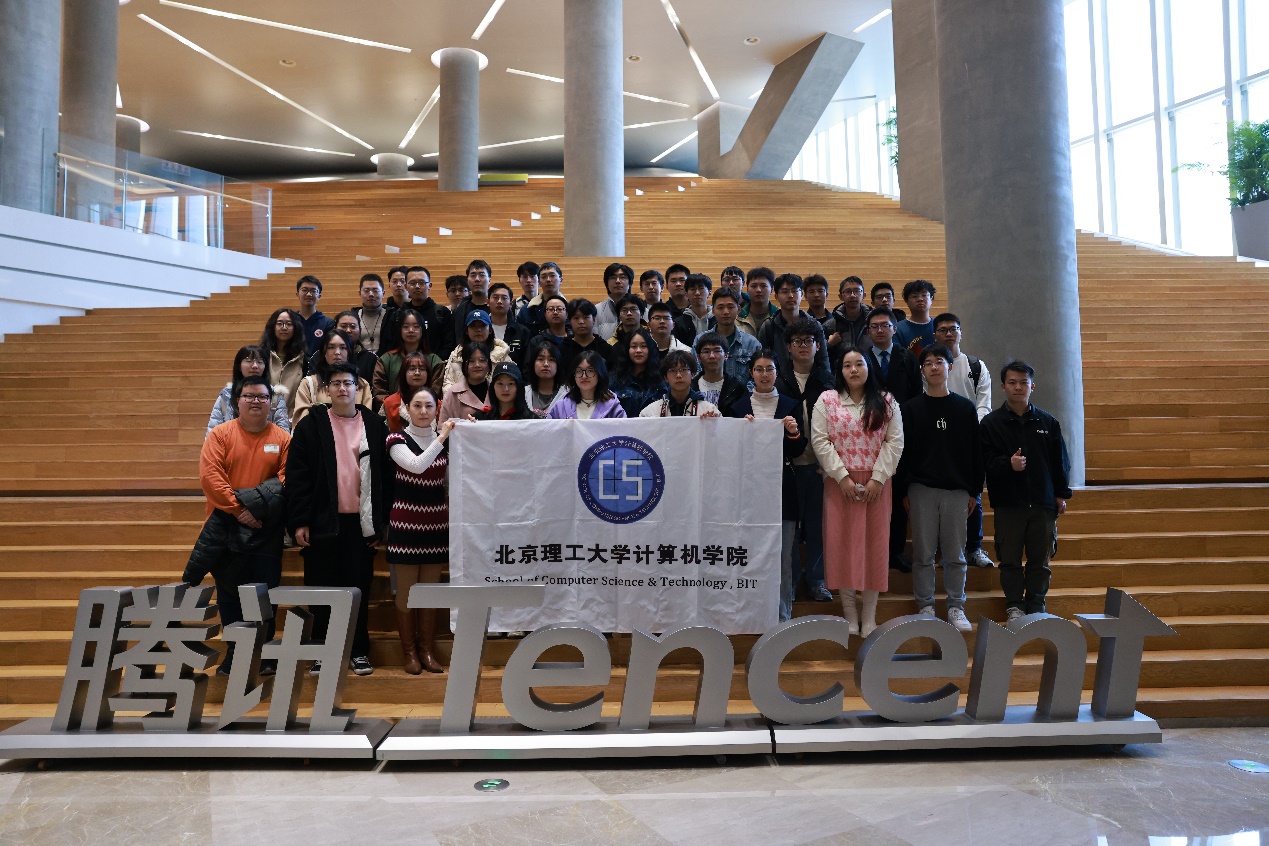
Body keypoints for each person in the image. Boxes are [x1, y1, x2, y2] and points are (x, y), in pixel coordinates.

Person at [286, 363, 392, 677]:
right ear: (326, 390)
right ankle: (323, 653)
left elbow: (386, 478)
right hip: (322, 523)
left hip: (361, 525)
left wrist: (380, 523)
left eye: (348, 383)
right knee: (321, 591)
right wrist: (300, 521)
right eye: (336, 383)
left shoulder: (374, 424)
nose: (342, 388)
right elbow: (298, 477)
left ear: (358, 388)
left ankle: (358, 651)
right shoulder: (310, 425)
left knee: (357, 590)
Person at [192, 376, 289, 676]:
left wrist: (253, 510)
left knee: (265, 594)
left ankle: (264, 653)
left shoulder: (283, 439)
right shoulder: (220, 435)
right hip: (225, 527)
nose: (255, 401)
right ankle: (235, 653)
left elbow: (286, 479)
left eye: (262, 396)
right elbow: (211, 477)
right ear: (237, 401)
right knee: (230, 594)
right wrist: (239, 510)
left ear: (271, 403)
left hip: (264, 528)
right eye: (249, 396)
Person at [811, 346, 904, 636]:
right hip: (839, 484)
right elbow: (820, 440)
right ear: (840, 370)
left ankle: (869, 617)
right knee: (841, 546)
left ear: (868, 368)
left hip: (878, 484)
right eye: (847, 365)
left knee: (875, 547)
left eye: (859, 364)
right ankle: (850, 616)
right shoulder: (827, 400)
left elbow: (895, 442)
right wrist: (842, 478)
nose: (853, 370)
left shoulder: (887, 401)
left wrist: (878, 479)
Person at [895, 344, 984, 633]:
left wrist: (973, 491)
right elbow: (903, 454)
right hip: (921, 489)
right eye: (928, 363)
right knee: (923, 553)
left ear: (949, 367)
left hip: (957, 490)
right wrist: (905, 491)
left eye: (939, 362)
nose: (934, 367)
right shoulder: (910, 409)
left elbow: (975, 453)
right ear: (922, 370)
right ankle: (926, 605)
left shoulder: (965, 408)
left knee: (955, 554)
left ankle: (956, 606)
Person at [980, 360, 1073, 622]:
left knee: (1040, 561)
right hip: (1009, 504)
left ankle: (1036, 606)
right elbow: (983, 462)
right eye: (1012, 383)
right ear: (1003, 387)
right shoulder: (991, 423)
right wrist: (1007, 464)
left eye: (1023, 382)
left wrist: (1060, 494)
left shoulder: (1048, 422)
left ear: (1032, 386)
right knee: (1009, 560)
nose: (1018, 387)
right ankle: (1014, 605)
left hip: (1043, 503)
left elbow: (1060, 462)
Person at [723, 351, 806, 622]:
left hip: (782, 487)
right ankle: (747, 612)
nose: (764, 374)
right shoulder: (737, 408)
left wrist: (792, 432)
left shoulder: (791, 405)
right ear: (751, 373)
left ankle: (782, 616)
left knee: (782, 557)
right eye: (759, 369)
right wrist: (741, 432)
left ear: (777, 373)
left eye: (769, 369)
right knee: (747, 553)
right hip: (747, 490)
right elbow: (728, 451)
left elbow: (798, 449)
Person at [385, 388, 455, 674]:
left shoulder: (446, 442)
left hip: (436, 526)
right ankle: (410, 652)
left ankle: (426, 650)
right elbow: (417, 466)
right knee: (406, 592)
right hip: (405, 527)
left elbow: (451, 481)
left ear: (437, 409)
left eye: (429, 406)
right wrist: (443, 436)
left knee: (429, 592)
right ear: (407, 409)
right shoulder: (396, 439)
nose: (424, 411)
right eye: (417, 405)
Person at [773, 316, 834, 603]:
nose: (802, 346)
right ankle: (792, 579)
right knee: (790, 530)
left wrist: (831, 463)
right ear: (788, 347)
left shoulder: (829, 382)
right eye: (797, 341)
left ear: (818, 346)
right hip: (788, 468)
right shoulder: (779, 381)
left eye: (808, 341)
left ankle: (817, 580)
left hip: (820, 467)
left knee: (818, 527)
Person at [931, 312, 995, 569]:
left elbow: (984, 404)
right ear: (934, 335)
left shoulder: (976, 366)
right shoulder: (931, 365)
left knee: (972, 495)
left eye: (953, 329)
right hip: (937, 439)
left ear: (960, 333)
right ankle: (940, 549)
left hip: (969, 439)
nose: (949, 333)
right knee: (938, 496)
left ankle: (974, 548)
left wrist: (969, 430)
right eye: (943, 329)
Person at [863, 307, 923, 573]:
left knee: (897, 496)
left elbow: (916, 394)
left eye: (884, 325)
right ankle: (869, 552)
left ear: (894, 329)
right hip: (867, 435)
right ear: (868, 331)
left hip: (901, 435)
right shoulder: (861, 358)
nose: (879, 330)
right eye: (874, 326)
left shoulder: (907, 357)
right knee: (870, 495)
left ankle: (895, 551)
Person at [292, 329, 376, 427]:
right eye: (331, 347)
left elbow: (366, 422)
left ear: (349, 352)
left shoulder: (361, 384)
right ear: (324, 352)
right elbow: (301, 423)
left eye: (343, 347)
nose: (337, 352)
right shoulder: (308, 383)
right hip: (319, 435)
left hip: (354, 434)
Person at [759, 273, 832, 383]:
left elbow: (823, 360)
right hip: (779, 385)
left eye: (794, 291)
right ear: (776, 296)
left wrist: (827, 385)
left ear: (802, 294)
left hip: (811, 383)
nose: (790, 296)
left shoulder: (814, 325)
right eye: (785, 292)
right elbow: (762, 361)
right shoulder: (769, 326)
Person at [206, 344, 291, 437]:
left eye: (260, 361)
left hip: (267, 444)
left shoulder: (275, 395)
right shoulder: (226, 395)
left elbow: (284, 433)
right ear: (239, 366)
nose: (255, 366)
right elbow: (213, 432)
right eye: (249, 361)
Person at [373, 307, 444, 403]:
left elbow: (436, 393)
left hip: (425, 409)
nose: (411, 330)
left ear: (422, 330)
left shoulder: (435, 361)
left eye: (416, 326)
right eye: (406, 327)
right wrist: (393, 407)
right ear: (400, 330)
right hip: (392, 410)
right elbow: (379, 392)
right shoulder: (386, 360)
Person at [381, 266, 454, 359]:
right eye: (412, 283)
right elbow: (391, 345)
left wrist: (434, 363)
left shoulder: (442, 313)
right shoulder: (398, 315)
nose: (417, 286)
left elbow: (449, 346)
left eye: (421, 283)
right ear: (406, 286)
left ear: (430, 286)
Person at [442, 309, 511, 393]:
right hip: (460, 399)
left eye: (482, 326)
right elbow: (447, 384)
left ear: (490, 330)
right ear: (466, 331)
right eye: (473, 326)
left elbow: (511, 383)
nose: (478, 330)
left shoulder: (501, 354)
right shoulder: (456, 355)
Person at [548, 350, 626, 419]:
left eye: (590, 370)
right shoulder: (561, 406)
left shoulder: (613, 406)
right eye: (579, 371)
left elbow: (623, 429)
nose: (584, 376)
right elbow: (549, 429)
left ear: (599, 374)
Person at [640, 350, 721, 417]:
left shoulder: (709, 410)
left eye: (684, 370)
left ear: (692, 374)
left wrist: (711, 424)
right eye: (672, 371)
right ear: (665, 377)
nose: (678, 375)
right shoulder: (649, 413)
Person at [310, 310, 378, 385]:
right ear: (335, 328)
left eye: (353, 327)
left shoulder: (370, 358)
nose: (348, 330)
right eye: (343, 326)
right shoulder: (320, 355)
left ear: (360, 330)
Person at [710, 288, 762, 384]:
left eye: (730, 307)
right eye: (720, 307)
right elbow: (696, 375)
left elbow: (757, 378)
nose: (726, 312)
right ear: (713, 310)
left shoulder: (752, 344)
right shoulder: (700, 341)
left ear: (738, 309)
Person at [260, 308, 306, 416]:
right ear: (273, 326)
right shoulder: (261, 356)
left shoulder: (304, 360)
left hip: (292, 419)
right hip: (263, 418)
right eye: (279, 323)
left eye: (289, 324)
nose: (284, 327)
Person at [610, 328, 664, 418]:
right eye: (634, 346)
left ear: (650, 349)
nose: (638, 350)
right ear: (627, 350)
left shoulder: (661, 380)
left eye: (643, 346)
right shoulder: (614, 380)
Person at [692, 331, 747, 412]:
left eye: (717, 351)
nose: (712, 356)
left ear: (726, 355)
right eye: (706, 351)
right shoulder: (690, 387)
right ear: (699, 357)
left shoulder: (737, 389)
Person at [439, 342, 493, 424]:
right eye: (471, 361)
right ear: (464, 365)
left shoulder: (496, 391)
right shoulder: (452, 394)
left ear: (488, 365)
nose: (477, 365)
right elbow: (442, 428)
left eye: (482, 360)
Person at [382, 350, 433, 434]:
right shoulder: (389, 403)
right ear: (404, 373)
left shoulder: (437, 405)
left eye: (422, 369)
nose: (417, 373)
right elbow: (381, 434)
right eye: (412, 369)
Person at [560, 298, 614, 374]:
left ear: (594, 320)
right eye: (576, 318)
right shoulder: (561, 350)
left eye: (586, 317)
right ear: (570, 322)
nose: (581, 322)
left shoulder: (606, 349)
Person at [487, 282, 532, 368]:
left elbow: (527, 365)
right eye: (495, 297)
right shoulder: (481, 330)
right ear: (488, 302)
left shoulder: (522, 332)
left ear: (511, 304)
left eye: (504, 298)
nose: (499, 301)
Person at [294, 275, 335, 358]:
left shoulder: (328, 323)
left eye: (313, 291)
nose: (309, 294)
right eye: (304, 290)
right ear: (297, 294)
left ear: (319, 296)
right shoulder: (291, 320)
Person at [524, 337, 567, 417]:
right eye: (540, 359)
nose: (546, 364)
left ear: (558, 364)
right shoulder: (524, 393)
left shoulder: (567, 395)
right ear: (533, 364)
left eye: (551, 360)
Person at [828, 275, 872, 352]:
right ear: (840, 296)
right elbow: (819, 352)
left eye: (857, 291)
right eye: (848, 291)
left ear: (864, 295)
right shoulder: (831, 325)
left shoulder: (872, 322)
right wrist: (829, 344)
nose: (852, 295)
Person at [517, 261, 563, 334]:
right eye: (544, 277)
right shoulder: (526, 311)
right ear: (539, 282)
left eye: (552, 275)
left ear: (561, 280)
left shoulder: (570, 309)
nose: (548, 279)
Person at [451, 259, 492, 339]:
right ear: (467, 280)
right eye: (473, 275)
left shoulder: (497, 307)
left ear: (489, 280)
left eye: (482, 275)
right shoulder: (459, 311)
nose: (477, 279)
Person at [896, 279, 937, 356]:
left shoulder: (939, 326)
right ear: (906, 301)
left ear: (931, 298)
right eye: (914, 296)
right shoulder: (898, 329)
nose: (920, 299)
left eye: (924, 295)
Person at [594, 262, 634, 340]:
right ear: (607, 284)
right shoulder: (597, 310)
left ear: (630, 283)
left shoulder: (641, 309)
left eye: (622, 277)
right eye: (613, 277)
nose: (618, 281)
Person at [672, 273, 714, 346]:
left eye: (701, 288)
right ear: (686, 294)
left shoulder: (717, 319)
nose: (697, 293)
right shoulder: (678, 323)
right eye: (692, 289)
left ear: (709, 293)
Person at [353, 273, 389, 354]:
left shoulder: (392, 316)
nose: (371, 294)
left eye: (375, 291)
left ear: (383, 293)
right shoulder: (353, 317)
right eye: (366, 291)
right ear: (360, 293)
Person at [738, 266, 779, 337]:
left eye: (763, 286)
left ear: (772, 290)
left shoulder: (780, 316)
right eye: (754, 286)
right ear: (747, 289)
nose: (758, 290)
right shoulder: (737, 316)